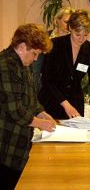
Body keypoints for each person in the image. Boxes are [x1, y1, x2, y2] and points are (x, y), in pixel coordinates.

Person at [0, 23, 57, 189]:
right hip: (6, 144)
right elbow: (15, 110)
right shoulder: (5, 66)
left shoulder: (23, 63)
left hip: (20, 143)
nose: (35, 58)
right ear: (22, 47)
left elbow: (30, 97)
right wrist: (40, 124)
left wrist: (41, 113)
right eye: (35, 54)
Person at [39, 9, 90, 120]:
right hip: (53, 100)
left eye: (85, 35)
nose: (82, 39)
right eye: (78, 34)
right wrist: (66, 104)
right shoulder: (55, 45)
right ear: (70, 28)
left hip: (75, 103)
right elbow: (47, 80)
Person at [32, 6, 75, 92]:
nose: (68, 25)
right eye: (66, 22)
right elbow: (37, 62)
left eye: (71, 22)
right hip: (44, 82)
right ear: (57, 20)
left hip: (66, 85)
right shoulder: (45, 36)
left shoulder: (74, 40)